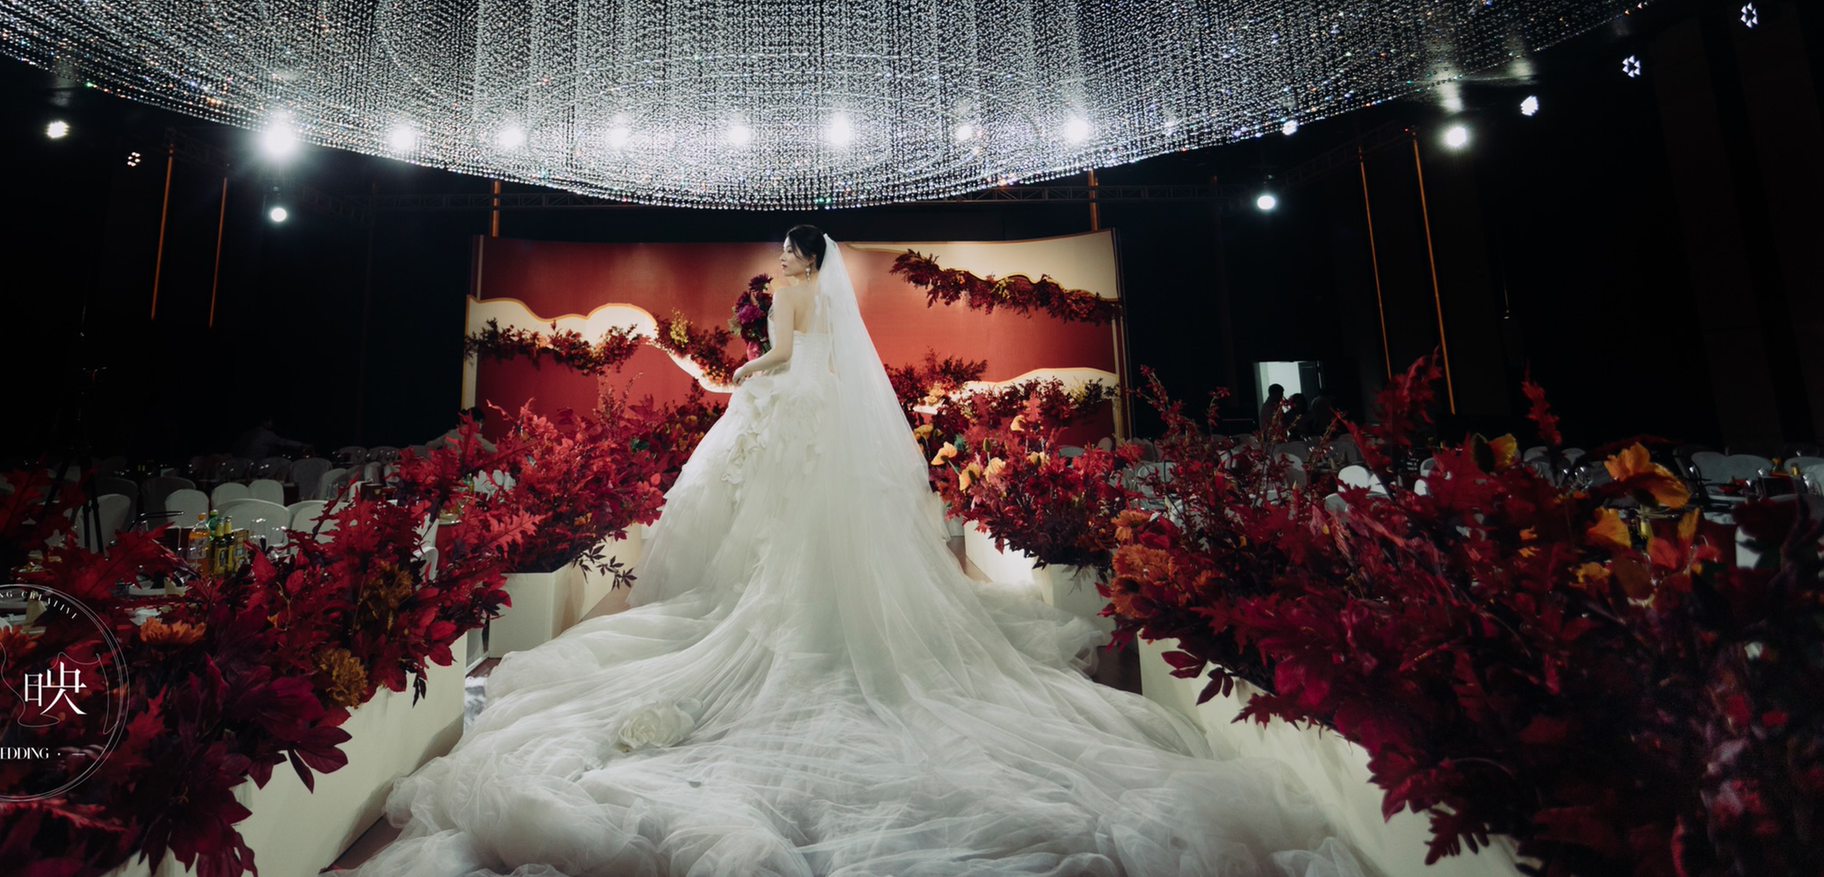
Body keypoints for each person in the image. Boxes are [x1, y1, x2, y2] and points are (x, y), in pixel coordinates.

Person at [350, 229, 1362, 877]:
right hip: (815, 419)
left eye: (788, 260)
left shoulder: (790, 299)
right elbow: (818, 359)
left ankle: (784, 614)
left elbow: (784, 355)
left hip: (786, 407)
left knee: (768, 529)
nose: (784, 271)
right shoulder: (825, 302)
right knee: (795, 530)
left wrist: (748, 373)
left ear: (798, 263)